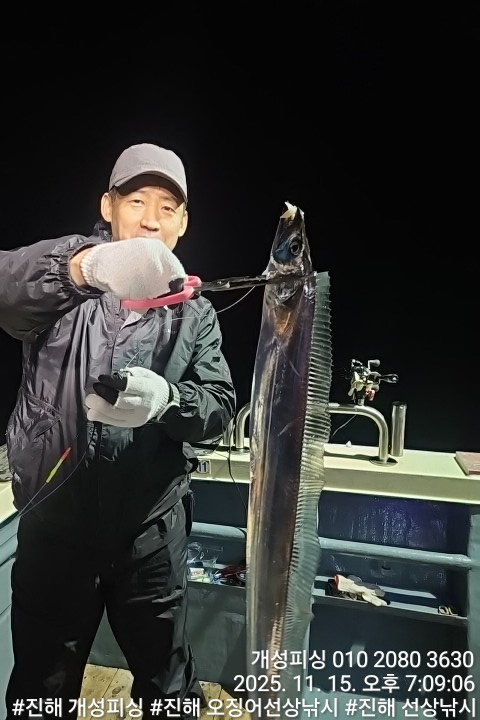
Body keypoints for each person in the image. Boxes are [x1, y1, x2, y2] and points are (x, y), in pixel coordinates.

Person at [0, 143, 236, 719]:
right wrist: (81, 268)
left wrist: (168, 401)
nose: (151, 219)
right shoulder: (62, 294)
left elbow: (218, 407)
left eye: (167, 207)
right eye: (136, 201)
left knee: (168, 688)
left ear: (183, 223)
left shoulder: (196, 314)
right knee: (39, 692)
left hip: (149, 538)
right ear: (107, 207)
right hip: (54, 531)